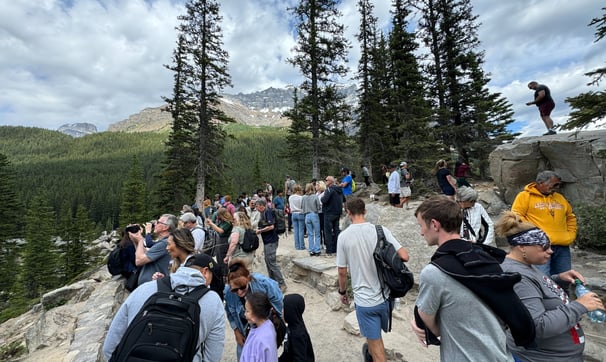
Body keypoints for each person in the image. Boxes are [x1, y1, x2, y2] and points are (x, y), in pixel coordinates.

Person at [410, 196, 517, 361]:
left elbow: (430, 328)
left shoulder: (434, 273)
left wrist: (417, 322)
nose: (420, 232)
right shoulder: (487, 257)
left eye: (421, 226)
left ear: (434, 224)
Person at [495, 211, 604, 362]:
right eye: (544, 247)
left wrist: (558, 280)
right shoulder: (517, 276)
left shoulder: (526, 266)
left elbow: (537, 292)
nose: (550, 251)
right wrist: (579, 306)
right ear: (522, 247)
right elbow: (537, 326)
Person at [102, 256, 226, 362]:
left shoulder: (144, 289)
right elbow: (213, 356)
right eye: (211, 279)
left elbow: (109, 347)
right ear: (205, 272)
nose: (209, 285)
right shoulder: (213, 301)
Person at [336, 197, 409, 362]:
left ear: (348, 213)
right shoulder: (380, 230)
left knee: (376, 349)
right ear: (365, 211)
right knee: (375, 339)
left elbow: (342, 271)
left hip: (366, 301)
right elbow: (404, 256)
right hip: (386, 297)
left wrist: (342, 291)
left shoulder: (344, 237)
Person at [512, 170, 577, 278]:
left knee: (565, 278)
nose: (556, 188)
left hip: (562, 245)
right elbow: (517, 217)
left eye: (558, 185)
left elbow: (570, 217)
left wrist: (571, 235)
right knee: (543, 279)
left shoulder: (559, 198)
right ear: (541, 183)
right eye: (554, 184)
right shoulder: (524, 196)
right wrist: (535, 235)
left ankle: (562, 296)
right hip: (539, 246)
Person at [224, 260, 284, 360]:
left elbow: (279, 304)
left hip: (264, 328)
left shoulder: (264, 284)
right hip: (244, 331)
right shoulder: (228, 292)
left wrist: (278, 325)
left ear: (249, 278)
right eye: (235, 289)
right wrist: (236, 331)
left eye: (243, 287)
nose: (239, 292)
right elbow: (230, 313)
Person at [240, 292, 285, 362]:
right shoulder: (269, 324)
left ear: (257, 313)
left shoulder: (260, 340)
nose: (245, 313)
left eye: (247, 311)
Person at [132, 214, 176, 285]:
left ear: (166, 227)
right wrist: (135, 240)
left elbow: (139, 261)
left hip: (153, 286)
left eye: (158, 222)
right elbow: (146, 254)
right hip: (152, 285)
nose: (155, 224)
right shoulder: (164, 242)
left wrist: (140, 240)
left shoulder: (164, 243)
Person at [256, 198, 287, 291]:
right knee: (268, 262)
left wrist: (260, 230)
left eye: (257, 206)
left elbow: (271, 226)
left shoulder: (268, 212)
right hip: (267, 241)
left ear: (262, 205)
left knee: (272, 263)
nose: (256, 208)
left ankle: (282, 284)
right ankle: (273, 282)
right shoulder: (262, 213)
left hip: (271, 241)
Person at [279, 294, 315, 362]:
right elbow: (287, 352)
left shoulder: (297, 335)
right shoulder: (293, 324)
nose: (281, 311)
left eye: (283, 308)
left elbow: (300, 359)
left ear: (290, 312)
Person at [206, 207, 234, 280]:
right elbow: (216, 228)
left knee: (222, 258)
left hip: (225, 241)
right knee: (218, 257)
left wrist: (212, 223)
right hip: (220, 240)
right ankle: (221, 274)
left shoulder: (228, 223)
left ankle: (225, 275)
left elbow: (221, 231)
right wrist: (211, 224)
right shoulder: (221, 222)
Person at [321, 176, 343, 256]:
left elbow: (324, 200)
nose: (325, 181)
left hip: (329, 213)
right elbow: (343, 199)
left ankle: (329, 251)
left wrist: (322, 197)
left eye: (326, 180)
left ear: (330, 181)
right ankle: (337, 249)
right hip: (337, 213)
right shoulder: (339, 190)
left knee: (328, 232)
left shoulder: (329, 189)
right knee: (336, 231)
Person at [302, 182, 322, 256]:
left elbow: (302, 207)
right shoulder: (315, 196)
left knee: (310, 234)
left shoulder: (303, 197)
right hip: (314, 214)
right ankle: (317, 250)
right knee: (317, 233)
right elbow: (318, 207)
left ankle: (311, 250)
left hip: (307, 215)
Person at [289, 184, 305, 251]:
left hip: (293, 213)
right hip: (300, 213)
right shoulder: (301, 197)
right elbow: (302, 206)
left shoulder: (290, 197)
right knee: (301, 230)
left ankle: (297, 246)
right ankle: (301, 246)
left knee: (295, 231)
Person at [315, 180, 326, 251]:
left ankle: (325, 243)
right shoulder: (316, 194)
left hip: (322, 212)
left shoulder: (324, 193)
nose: (315, 186)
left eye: (317, 185)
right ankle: (320, 243)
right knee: (318, 229)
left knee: (324, 228)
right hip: (317, 212)